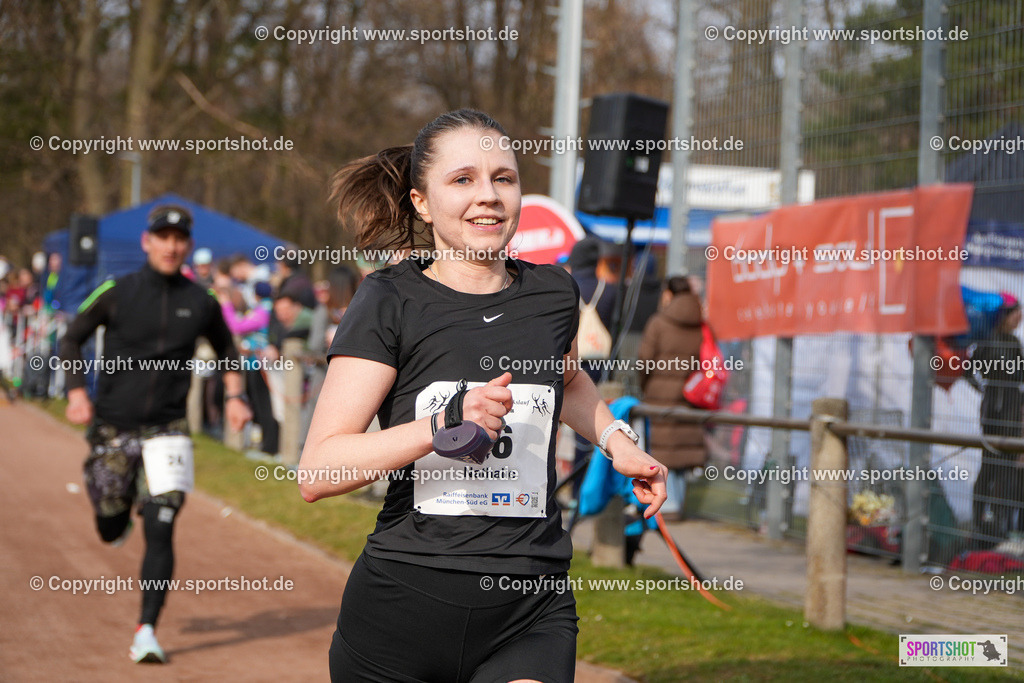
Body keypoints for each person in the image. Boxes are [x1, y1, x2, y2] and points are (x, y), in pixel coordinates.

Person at [299, 109, 667, 683]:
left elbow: (566, 380)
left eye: (504, 178)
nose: (489, 196)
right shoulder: (390, 300)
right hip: (404, 606)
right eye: (463, 179)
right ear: (421, 203)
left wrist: (616, 440)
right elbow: (318, 471)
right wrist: (444, 421)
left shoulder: (554, 292)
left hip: (530, 604)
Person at [60, 204, 252, 664]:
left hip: (168, 430)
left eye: (179, 238)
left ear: (187, 245)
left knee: (162, 526)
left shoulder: (201, 301)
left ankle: (146, 628)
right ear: (147, 242)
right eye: (162, 237)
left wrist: (234, 396)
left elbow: (228, 348)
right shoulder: (116, 291)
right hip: (113, 425)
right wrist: (74, 393)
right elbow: (71, 339)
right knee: (109, 525)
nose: (171, 245)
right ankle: (119, 517)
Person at [636, 275, 708, 522]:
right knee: (682, 447)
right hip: (691, 393)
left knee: (663, 449)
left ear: (668, 293)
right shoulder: (702, 324)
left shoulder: (659, 321)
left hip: (659, 394)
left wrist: (646, 386)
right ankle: (680, 504)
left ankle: (666, 506)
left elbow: (644, 361)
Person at [967, 293, 1024, 543]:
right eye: (1015, 314)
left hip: (1012, 409)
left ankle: (1001, 524)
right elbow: (967, 369)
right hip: (993, 411)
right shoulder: (987, 341)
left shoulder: (1014, 343)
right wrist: (984, 387)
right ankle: (979, 519)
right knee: (990, 465)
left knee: (1010, 470)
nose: (1019, 318)